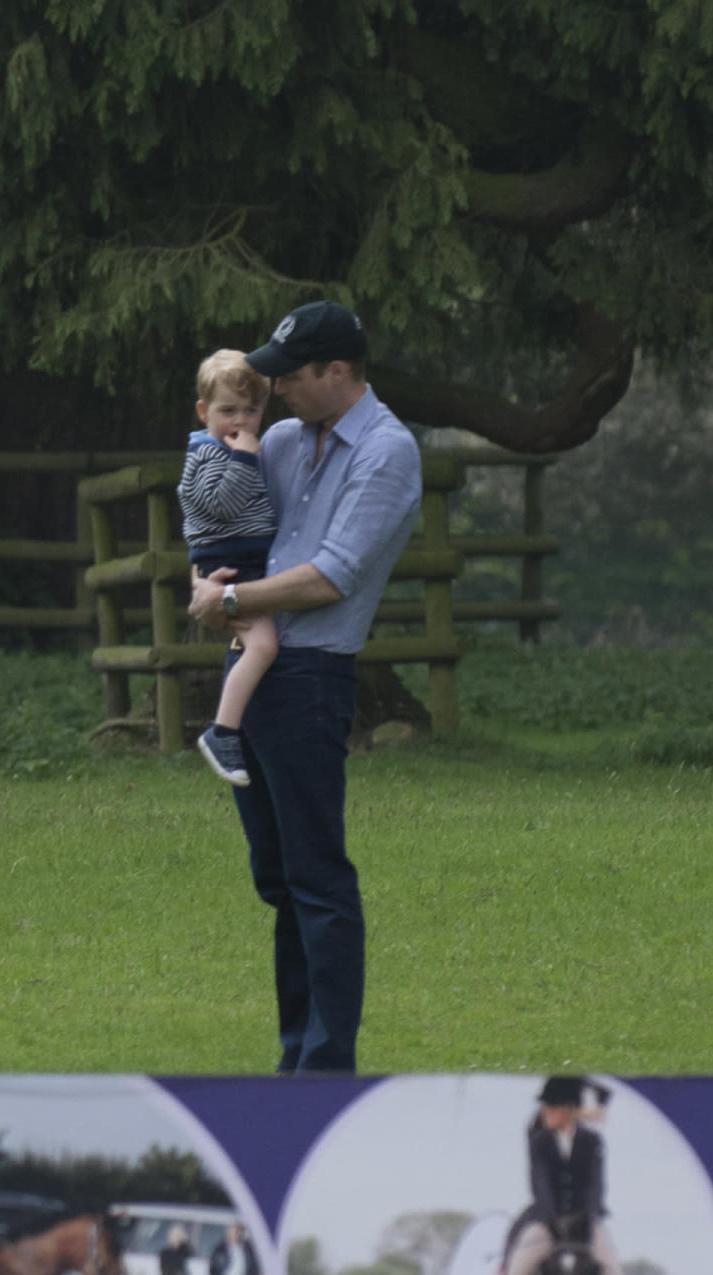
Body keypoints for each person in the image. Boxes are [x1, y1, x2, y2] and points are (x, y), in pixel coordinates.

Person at [188, 300, 422, 1073]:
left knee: (317, 876)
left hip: (310, 677)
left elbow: (329, 579)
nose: (274, 384)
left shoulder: (387, 452)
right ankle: (296, 1059)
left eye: (291, 373)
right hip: (248, 668)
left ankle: (325, 1070)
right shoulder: (282, 439)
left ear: (338, 371)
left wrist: (225, 602)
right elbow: (235, 524)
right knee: (278, 878)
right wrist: (209, 571)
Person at [177, 348, 276, 786]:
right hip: (229, 562)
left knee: (259, 643)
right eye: (227, 411)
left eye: (251, 411)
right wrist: (245, 457)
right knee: (263, 645)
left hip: (243, 558)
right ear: (204, 412)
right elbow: (220, 504)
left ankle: (234, 728)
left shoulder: (231, 449)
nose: (240, 422)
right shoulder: (208, 455)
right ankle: (223, 731)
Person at [503, 1075, 633, 1275]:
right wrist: (553, 1220)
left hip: (585, 1221)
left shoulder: (592, 1141)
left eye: (551, 1107)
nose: (545, 1112)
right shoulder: (539, 1142)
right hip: (546, 1222)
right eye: (545, 1107)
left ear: (568, 1109)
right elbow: (540, 1184)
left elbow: (596, 1185)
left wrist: (588, 1216)